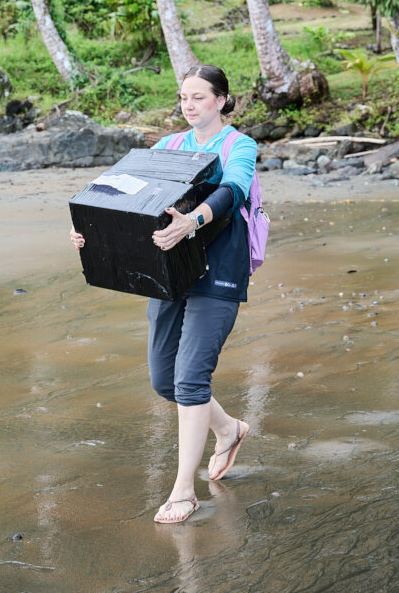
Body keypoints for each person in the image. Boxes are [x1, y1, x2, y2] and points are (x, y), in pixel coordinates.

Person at [70, 64, 257, 524]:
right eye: (183, 97)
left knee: (190, 380)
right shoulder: (167, 147)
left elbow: (233, 190)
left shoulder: (238, 145)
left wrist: (192, 220)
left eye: (198, 97)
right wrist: (90, 232)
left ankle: (183, 492)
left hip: (219, 270)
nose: (189, 105)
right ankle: (228, 429)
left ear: (220, 100)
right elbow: (124, 195)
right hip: (171, 270)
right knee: (165, 380)